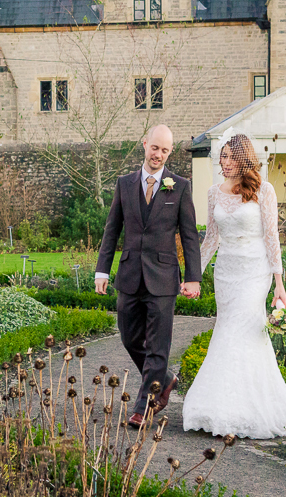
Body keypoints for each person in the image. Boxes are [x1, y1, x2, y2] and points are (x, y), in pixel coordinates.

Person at [182, 128, 286, 439]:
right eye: (221, 157)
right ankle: (221, 404)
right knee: (226, 329)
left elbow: (272, 238)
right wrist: (193, 275)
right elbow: (211, 239)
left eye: (228, 157)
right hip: (226, 272)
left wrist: (279, 283)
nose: (222, 162)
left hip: (254, 272)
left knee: (241, 331)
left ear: (242, 157)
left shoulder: (264, 190)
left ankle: (243, 408)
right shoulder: (214, 192)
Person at [95, 124, 203, 428]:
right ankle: (165, 378)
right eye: (154, 148)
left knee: (158, 346)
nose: (158, 155)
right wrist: (102, 269)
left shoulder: (179, 186)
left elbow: (190, 234)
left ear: (169, 152)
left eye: (165, 150)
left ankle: (144, 405)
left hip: (164, 278)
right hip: (129, 274)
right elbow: (112, 229)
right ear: (145, 144)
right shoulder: (124, 184)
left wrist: (192, 276)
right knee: (129, 337)